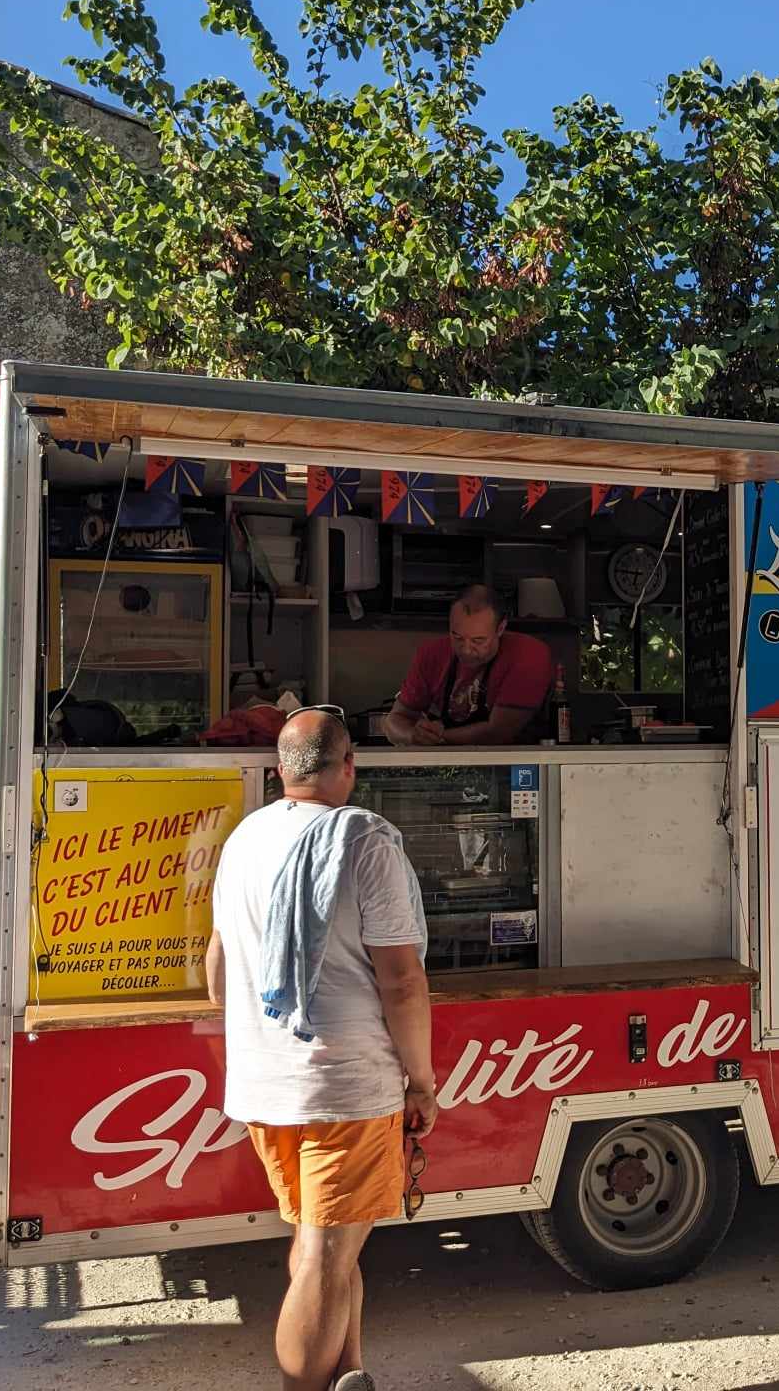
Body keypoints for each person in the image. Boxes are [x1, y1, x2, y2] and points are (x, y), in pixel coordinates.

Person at [204, 708, 437, 1391]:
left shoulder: (246, 837)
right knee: (328, 1258)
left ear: (280, 769)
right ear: (348, 767)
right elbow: (402, 979)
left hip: (264, 1085)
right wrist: (419, 1081)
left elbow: (217, 974)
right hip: (344, 1084)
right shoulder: (363, 839)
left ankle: (351, 1375)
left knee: (317, 1245)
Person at [379, 583, 554, 746]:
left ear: (500, 629)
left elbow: (498, 732)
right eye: (457, 637)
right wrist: (411, 735)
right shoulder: (431, 655)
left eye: (478, 640)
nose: (466, 650)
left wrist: (438, 736)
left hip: (519, 768)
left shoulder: (528, 654)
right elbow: (394, 722)